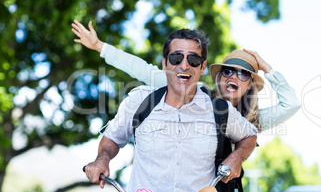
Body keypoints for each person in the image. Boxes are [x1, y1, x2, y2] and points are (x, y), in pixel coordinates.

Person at [82, 28, 258, 192]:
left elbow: (249, 135)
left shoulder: (219, 110)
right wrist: (102, 158)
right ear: (165, 63)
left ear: (202, 67)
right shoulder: (140, 101)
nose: (184, 65)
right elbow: (112, 138)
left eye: (193, 60)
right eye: (176, 57)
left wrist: (237, 157)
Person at [72, 20, 301, 132]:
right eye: (228, 71)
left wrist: (267, 68)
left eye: (243, 74)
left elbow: (292, 104)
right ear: (218, 76)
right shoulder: (193, 91)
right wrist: (101, 47)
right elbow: (142, 69)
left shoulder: (253, 121)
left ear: (250, 84)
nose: (233, 77)